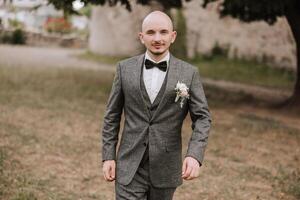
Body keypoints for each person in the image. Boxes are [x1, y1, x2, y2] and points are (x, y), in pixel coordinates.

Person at [101, 11, 211, 200]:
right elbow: (112, 116)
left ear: (173, 36)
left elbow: (202, 118)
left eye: (163, 32)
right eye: (151, 32)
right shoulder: (124, 69)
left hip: (166, 167)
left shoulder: (189, 73)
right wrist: (108, 156)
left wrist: (194, 155)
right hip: (129, 166)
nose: (157, 38)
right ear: (142, 37)